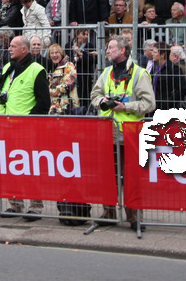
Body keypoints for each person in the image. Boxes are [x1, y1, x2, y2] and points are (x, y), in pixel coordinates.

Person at [91, 34, 155, 230]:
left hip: (130, 132)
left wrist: (126, 107)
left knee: (131, 176)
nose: (107, 51)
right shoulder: (107, 73)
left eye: (111, 47)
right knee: (107, 174)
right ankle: (108, 213)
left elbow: (149, 103)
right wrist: (102, 101)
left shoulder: (140, 74)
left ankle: (134, 217)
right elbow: (94, 95)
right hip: (108, 130)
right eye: (108, 48)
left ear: (122, 50)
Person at [0, 36, 49, 220]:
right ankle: (15, 204)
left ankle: (35, 206)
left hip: (27, 129)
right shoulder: (8, 68)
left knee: (30, 167)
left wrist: (29, 122)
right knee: (10, 167)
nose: (9, 49)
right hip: (6, 127)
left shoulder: (37, 70)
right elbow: (1, 95)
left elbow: (44, 104)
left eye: (13, 46)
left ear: (24, 49)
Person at [46, 44, 78, 115]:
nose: (54, 55)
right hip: (55, 108)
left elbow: (67, 86)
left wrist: (49, 91)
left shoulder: (69, 65)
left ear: (61, 53)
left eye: (57, 52)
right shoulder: (52, 69)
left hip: (67, 107)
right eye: (52, 53)